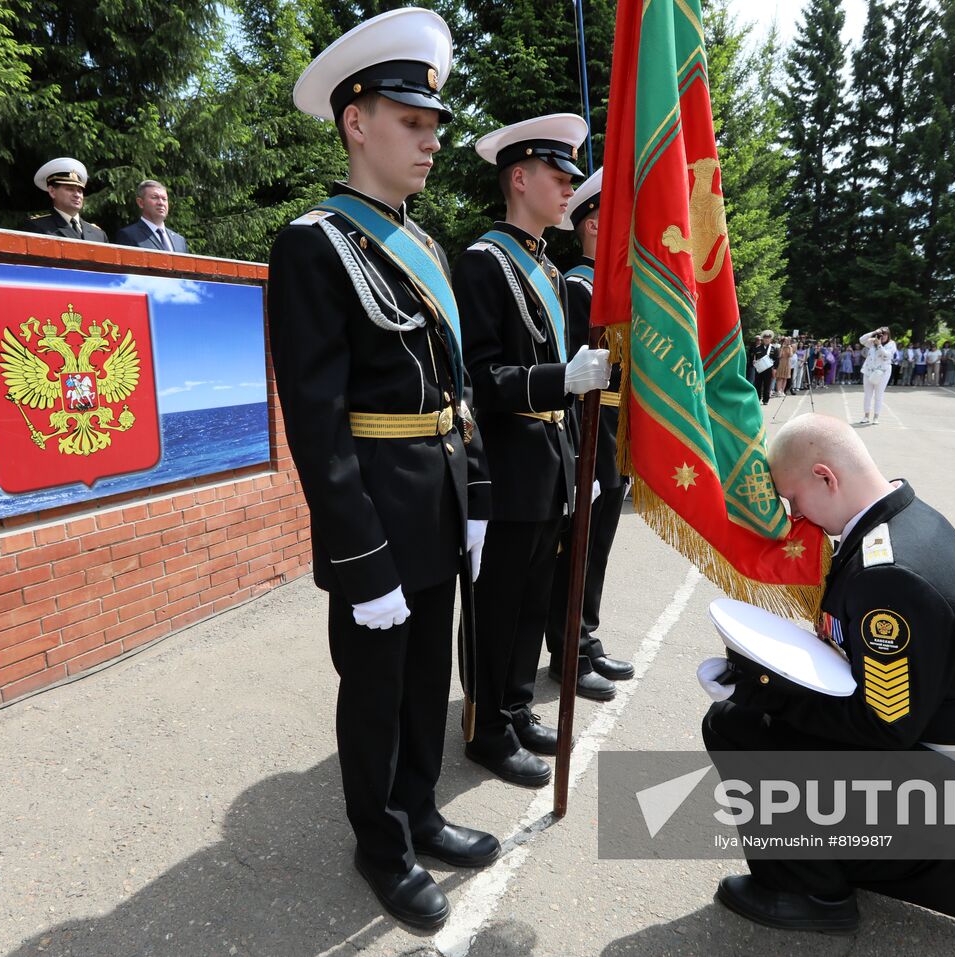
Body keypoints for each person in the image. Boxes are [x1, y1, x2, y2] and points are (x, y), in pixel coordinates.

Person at [267, 8, 500, 929]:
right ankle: (381, 842)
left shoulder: (428, 245)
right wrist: (358, 558)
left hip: (437, 496)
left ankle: (420, 809)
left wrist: (475, 489)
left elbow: (457, 386)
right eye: (412, 122)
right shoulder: (314, 243)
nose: (431, 140)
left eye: (435, 124)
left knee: (423, 680)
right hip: (376, 513)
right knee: (373, 689)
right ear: (355, 121)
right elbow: (316, 425)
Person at [702, 412, 955, 952]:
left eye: (794, 498)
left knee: (739, 727)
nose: (793, 515)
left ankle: (812, 894)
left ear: (826, 477)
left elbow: (882, 727)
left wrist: (758, 689)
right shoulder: (898, 521)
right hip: (954, 765)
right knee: (764, 732)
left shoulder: (889, 571)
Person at [455, 112, 609, 789]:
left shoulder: (545, 266)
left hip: (551, 463)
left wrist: (582, 464)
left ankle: (515, 707)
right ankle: (487, 725)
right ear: (519, 178)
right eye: (558, 175)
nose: (569, 189)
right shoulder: (485, 262)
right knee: (499, 603)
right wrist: (559, 379)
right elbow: (481, 378)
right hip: (510, 465)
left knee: (533, 597)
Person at [544, 168, 636, 705]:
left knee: (597, 545)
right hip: (592, 428)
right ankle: (568, 651)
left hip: (615, 429)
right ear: (596, 226)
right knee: (576, 548)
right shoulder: (579, 287)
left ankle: (587, 635)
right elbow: (580, 378)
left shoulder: (610, 289)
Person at [23, 158, 108, 242]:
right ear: (52, 191)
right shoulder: (39, 226)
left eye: (79, 191)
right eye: (70, 189)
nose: (77, 195)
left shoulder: (98, 234)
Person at [114, 180, 188, 252]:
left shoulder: (180, 241)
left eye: (164, 199)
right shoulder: (129, 235)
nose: (161, 203)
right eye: (155, 197)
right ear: (141, 203)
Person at [858, 326, 896, 425]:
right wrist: (873, 332)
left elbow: (887, 355)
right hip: (869, 370)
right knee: (867, 394)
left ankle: (876, 417)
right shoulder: (872, 341)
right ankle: (866, 416)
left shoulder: (891, 344)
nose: (882, 336)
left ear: (888, 335)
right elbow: (861, 340)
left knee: (878, 394)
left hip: (882, 372)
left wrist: (879, 346)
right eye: (881, 334)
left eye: (885, 334)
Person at [752, 332, 778, 404]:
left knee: (767, 384)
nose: (767, 340)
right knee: (758, 384)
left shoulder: (774, 349)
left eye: (768, 338)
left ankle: (766, 400)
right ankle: (758, 398)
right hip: (759, 369)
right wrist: (753, 361)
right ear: (763, 339)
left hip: (769, 370)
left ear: (770, 339)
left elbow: (777, 359)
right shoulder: (757, 348)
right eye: (765, 338)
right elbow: (754, 357)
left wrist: (775, 368)